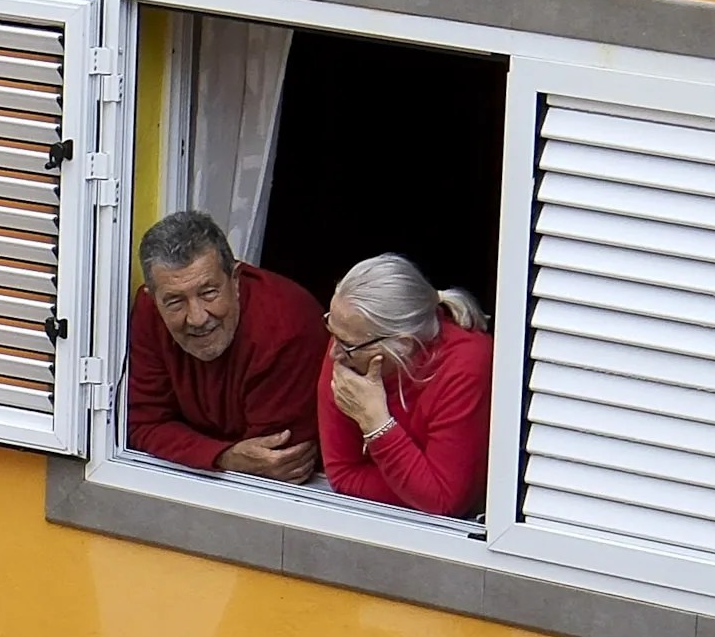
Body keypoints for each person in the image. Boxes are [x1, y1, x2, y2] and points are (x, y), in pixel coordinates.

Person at [120, 211, 325, 483]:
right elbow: (143, 424)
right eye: (175, 302)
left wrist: (198, 450)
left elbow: (279, 464)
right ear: (152, 298)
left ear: (236, 280)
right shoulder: (149, 313)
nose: (197, 317)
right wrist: (225, 456)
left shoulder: (286, 327)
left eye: (208, 293)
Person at [314, 255, 494, 519]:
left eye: (347, 344)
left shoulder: (465, 365)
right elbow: (343, 474)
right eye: (331, 331)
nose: (333, 355)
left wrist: (375, 422)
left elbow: (445, 501)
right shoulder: (348, 345)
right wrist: (420, 486)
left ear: (403, 345)